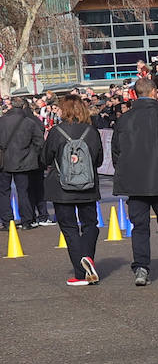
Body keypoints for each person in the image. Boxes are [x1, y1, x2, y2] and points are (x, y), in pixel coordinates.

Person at [113, 77, 158, 285]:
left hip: (135, 180)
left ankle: (142, 267)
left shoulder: (125, 119)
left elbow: (117, 151)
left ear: (136, 94)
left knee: (139, 226)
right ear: (154, 92)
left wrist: (125, 170)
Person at [41, 95, 103, 286]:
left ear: (64, 110)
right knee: (90, 223)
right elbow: (98, 161)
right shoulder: (92, 131)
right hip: (87, 185)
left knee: (69, 227)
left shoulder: (56, 131)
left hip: (62, 187)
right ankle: (88, 258)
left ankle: (80, 270)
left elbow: (45, 159)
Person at [0, 97, 49, 229]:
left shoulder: (2, 121)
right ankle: (27, 220)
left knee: (4, 192)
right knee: (24, 191)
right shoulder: (29, 122)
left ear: (11, 106)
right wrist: (31, 154)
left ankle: (7, 221)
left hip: (4, 161)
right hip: (23, 161)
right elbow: (39, 143)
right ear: (23, 107)